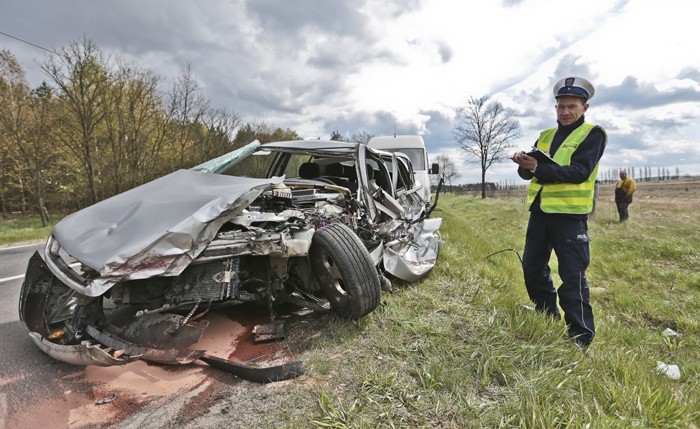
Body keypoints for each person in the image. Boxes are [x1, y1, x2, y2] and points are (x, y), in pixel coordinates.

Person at [511, 76, 607, 348]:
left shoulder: (593, 134)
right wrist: (524, 164)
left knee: (572, 277)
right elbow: (528, 174)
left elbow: (579, 172)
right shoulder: (545, 136)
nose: (564, 112)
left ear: (584, 108)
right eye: (560, 106)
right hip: (540, 214)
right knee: (532, 267)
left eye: (571, 107)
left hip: (569, 217)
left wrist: (539, 168)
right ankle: (547, 314)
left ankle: (580, 336)